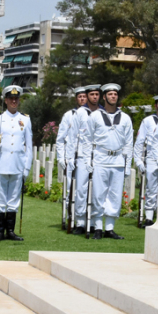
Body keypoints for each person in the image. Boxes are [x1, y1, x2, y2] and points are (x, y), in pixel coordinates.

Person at [81, 83, 133, 240]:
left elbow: (129, 142)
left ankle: (109, 228)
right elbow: (87, 139)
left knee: (115, 195)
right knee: (98, 194)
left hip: (117, 160)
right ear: (104, 97)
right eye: (110, 94)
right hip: (100, 159)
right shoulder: (95, 116)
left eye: (115, 94)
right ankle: (98, 227)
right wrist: (87, 159)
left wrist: (128, 165)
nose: (113, 97)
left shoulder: (125, 118)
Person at [0, 85, 32, 242]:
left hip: (17, 165)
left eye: (16, 99)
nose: (14, 101)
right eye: (11, 99)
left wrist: (26, 168)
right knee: (0, 200)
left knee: (13, 200)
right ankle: (0, 232)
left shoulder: (25, 120)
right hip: (2, 165)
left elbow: (29, 146)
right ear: (5, 100)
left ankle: (11, 231)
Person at [65, 84, 101, 235]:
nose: (94, 97)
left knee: (96, 191)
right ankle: (80, 222)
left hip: (98, 156)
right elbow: (72, 136)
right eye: (91, 94)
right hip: (81, 156)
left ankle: (92, 222)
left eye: (96, 94)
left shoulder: (102, 113)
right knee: (81, 189)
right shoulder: (80, 112)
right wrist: (69, 157)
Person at [135, 94, 158, 227]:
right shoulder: (148, 121)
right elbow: (140, 141)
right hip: (151, 158)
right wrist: (138, 160)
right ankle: (148, 218)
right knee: (151, 188)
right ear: (156, 106)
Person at [56, 87, 87, 229]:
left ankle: (83, 220)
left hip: (85, 157)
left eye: (84, 96)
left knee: (84, 189)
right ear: (76, 99)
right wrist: (61, 157)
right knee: (70, 189)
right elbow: (61, 138)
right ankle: (70, 217)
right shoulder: (69, 115)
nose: (82, 99)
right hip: (71, 157)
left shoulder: (91, 114)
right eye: (80, 96)